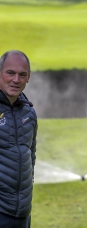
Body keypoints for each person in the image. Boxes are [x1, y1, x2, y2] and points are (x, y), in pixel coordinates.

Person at [0, 50, 37, 228]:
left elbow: (32, 156)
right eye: (10, 73)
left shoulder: (29, 112)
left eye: (22, 75)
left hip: (22, 213)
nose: (16, 80)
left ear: (28, 77)